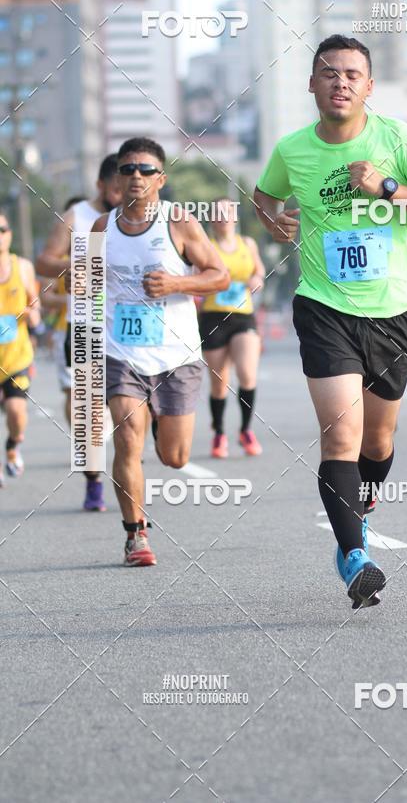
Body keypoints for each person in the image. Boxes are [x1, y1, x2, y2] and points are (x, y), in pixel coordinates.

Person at [253, 34, 407, 608]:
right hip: (324, 306)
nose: (340, 82)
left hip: (396, 311)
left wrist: (386, 187)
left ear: (369, 86)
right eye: (329, 73)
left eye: (352, 74)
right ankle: (353, 557)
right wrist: (274, 222)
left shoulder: (399, 139)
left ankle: (362, 505)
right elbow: (263, 194)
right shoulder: (293, 149)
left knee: (378, 438)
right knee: (340, 434)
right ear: (312, 84)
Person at [92, 136, 229, 566]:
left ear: (161, 179)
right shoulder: (101, 228)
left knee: (174, 457)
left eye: (146, 170)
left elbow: (220, 275)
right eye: (128, 169)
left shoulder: (181, 222)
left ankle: (159, 424)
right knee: (126, 439)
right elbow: (87, 286)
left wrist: (177, 284)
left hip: (176, 355)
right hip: (122, 352)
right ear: (117, 177)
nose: (136, 176)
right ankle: (136, 536)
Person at [36, 156, 122, 511]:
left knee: (132, 409)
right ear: (100, 185)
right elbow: (44, 261)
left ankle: (130, 455)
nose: (123, 196)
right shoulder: (77, 217)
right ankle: (93, 481)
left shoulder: (141, 217)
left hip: (126, 328)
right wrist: (79, 262)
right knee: (88, 411)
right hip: (85, 323)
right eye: (116, 188)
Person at [198, 197, 266, 458]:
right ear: (211, 218)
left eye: (228, 212)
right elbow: (195, 276)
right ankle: (219, 433)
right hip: (213, 318)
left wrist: (257, 280)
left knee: (247, 374)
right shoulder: (205, 246)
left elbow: (259, 271)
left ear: (235, 218)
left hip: (242, 317)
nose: (223, 217)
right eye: (217, 212)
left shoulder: (247, 244)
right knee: (219, 383)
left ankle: (246, 430)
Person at [0, 208, 41, 485]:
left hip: (17, 357)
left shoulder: (23, 267)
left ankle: (13, 445)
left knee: (16, 412)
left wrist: (29, 314)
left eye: (2, 230)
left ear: (10, 234)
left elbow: (36, 310)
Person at [42, 196, 85, 424]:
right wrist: (74, 300)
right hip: (66, 331)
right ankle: (80, 445)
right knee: (74, 391)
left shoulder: (107, 253)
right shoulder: (57, 262)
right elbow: (46, 298)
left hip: (103, 330)